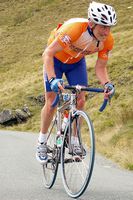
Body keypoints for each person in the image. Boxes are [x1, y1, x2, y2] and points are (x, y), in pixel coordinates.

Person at [36, 1, 117, 164]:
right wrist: (52, 79)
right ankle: (42, 142)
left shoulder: (107, 41)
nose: (106, 31)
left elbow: (100, 67)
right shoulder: (73, 29)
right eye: (103, 26)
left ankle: (73, 140)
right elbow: (48, 53)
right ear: (92, 23)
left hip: (76, 63)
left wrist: (107, 84)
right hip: (55, 60)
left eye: (109, 27)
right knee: (52, 101)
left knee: (80, 100)